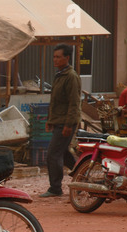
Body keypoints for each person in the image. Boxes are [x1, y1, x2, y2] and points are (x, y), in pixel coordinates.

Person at [40, 43, 81, 198]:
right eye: (54, 56)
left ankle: (55, 188)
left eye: (58, 57)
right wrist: (50, 120)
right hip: (59, 120)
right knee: (63, 152)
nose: (54, 60)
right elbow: (56, 100)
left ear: (67, 58)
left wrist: (69, 124)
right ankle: (83, 176)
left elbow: (74, 103)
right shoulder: (60, 74)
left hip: (66, 122)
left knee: (53, 154)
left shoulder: (70, 76)